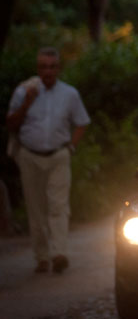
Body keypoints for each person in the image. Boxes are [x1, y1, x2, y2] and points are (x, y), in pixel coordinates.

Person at [6, 47, 90, 274]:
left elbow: (82, 121)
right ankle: (42, 256)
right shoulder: (24, 91)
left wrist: (71, 146)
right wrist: (26, 103)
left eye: (52, 66)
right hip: (30, 155)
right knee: (36, 208)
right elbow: (10, 124)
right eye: (43, 67)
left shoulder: (69, 94)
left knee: (58, 206)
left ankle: (59, 253)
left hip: (58, 155)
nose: (48, 71)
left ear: (58, 68)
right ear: (38, 69)